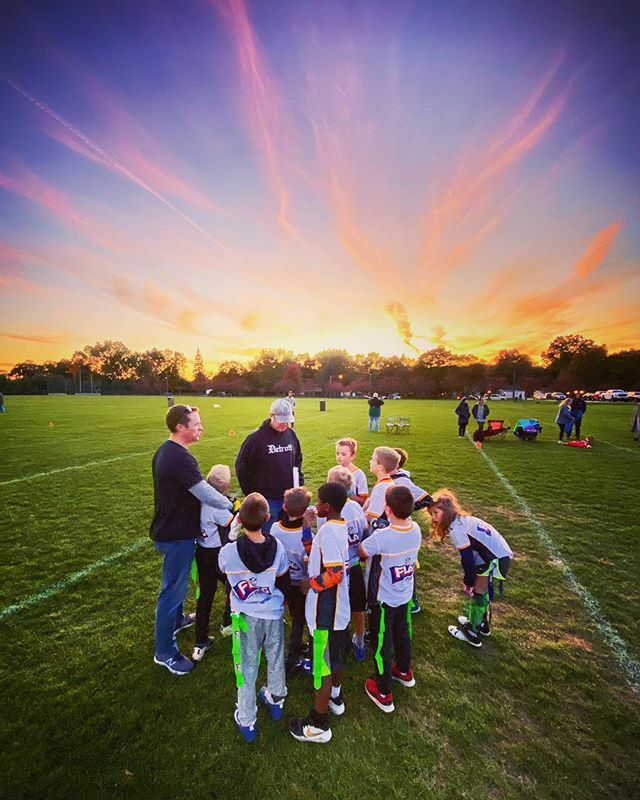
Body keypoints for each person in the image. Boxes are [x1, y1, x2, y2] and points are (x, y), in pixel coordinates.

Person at [150, 405, 233, 676]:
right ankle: (165, 652)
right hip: (176, 534)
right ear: (180, 427)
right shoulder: (178, 457)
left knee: (177, 584)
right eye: (196, 424)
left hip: (172, 530)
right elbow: (204, 492)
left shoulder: (169, 450)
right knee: (172, 591)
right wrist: (231, 504)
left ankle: (176, 620)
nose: (201, 428)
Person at [218, 493, 290, 743]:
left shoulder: (229, 552)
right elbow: (282, 575)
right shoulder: (278, 546)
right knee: (276, 657)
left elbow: (222, 567)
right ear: (267, 517)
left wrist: (230, 535)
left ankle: (247, 718)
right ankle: (276, 697)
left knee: (246, 667)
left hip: (245, 616)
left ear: (239, 520)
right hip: (272, 613)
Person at [289, 482, 350, 744]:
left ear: (326, 505)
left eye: (320, 503)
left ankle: (318, 723)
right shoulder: (337, 526)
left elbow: (334, 573)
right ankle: (335, 695)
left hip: (326, 612)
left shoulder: (327, 533)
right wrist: (306, 526)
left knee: (321, 667)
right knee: (334, 658)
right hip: (338, 611)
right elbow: (317, 555)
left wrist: (309, 584)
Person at [360, 485, 422, 713]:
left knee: (381, 642)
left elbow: (362, 552)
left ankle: (383, 690)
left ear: (387, 509)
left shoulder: (383, 536)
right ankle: (404, 670)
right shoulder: (415, 529)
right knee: (403, 632)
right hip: (405, 593)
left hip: (384, 599)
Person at [428, 489, 513, 648]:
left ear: (446, 511)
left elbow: (467, 559)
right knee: (481, 592)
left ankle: (472, 633)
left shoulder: (457, 530)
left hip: (494, 560)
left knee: (478, 593)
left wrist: (469, 580)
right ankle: (482, 624)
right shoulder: (463, 519)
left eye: (435, 513)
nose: (433, 518)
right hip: (500, 555)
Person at [235, 398, 304, 531]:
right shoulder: (256, 440)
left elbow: (297, 459)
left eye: (287, 421)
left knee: (287, 533)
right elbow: (242, 467)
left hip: (288, 497)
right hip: (267, 499)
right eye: (281, 421)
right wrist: (251, 493)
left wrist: (298, 481)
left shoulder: (291, 435)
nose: (284, 425)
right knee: (268, 534)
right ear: (271, 416)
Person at [192, 464, 237, 662]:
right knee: (232, 586)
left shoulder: (199, 499)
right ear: (225, 486)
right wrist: (236, 506)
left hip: (201, 552)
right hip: (217, 555)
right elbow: (233, 522)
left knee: (205, 596)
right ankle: (227, 623)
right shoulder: (216, 506)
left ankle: (200, 641)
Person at [326, 466, 368, 661]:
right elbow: (364, 532)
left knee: (339, 606)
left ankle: (341, 642)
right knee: (358, 606)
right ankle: (359, 641)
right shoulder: (356, 507)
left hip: (336, 568)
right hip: (354, 565)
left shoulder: (328, 510)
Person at [270, 486, 313, 673]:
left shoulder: (274, 528)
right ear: (306, 511)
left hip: (283, 581)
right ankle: (292, 659)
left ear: (284, 508)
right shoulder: (308, 537)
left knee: (294, 616)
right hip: (301, 584)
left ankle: (296, 651)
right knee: (300, 620)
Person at [335, 437, 368, 505]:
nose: (339, 456)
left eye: (343, 454)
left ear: (352, 456)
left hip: (351, 511)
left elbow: (363, 501)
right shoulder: (335, 471)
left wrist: (348, 493)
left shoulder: (359, 475)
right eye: (337, 453)